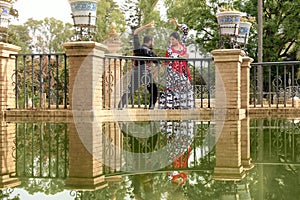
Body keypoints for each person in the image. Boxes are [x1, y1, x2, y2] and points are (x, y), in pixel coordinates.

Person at [119, 22, 158, 109]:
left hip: (136, 72)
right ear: (150, 41)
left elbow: (135, 32)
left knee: (129, 90)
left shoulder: (138, 48)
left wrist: (145, 26)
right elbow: (158, 63)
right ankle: (151, 107)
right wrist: (153, 69)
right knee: (154, 91)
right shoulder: (151, 52)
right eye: (153, 41)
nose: (153, 43)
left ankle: (120, 106)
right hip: (146, 74)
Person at [159, 18, 194, 109]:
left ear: (177, 39)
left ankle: (184, 108)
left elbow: (186, 30)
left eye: (173, 39)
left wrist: (178, 24)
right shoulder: (170, 49)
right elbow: (169, 60)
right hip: (173, 73)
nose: (172, 41)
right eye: (170, 40)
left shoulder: (182, 44)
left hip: (183, 71)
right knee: (172, 91)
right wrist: (181, 57)